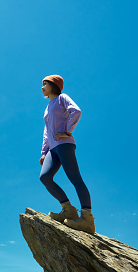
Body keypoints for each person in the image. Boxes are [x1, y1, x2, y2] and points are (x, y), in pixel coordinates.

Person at [39, 75, 95, 234]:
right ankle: (68, 210)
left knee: (75, 178)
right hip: (53, 148)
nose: (42, 87)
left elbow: (76, 111)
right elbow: (46, 132)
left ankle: (87, 219)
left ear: (53, 85)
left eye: (45, 84)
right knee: (45, 177)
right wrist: (44, 152)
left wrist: (67, 131)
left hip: (64, 144)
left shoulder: (62, 98)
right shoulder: (48, 107)